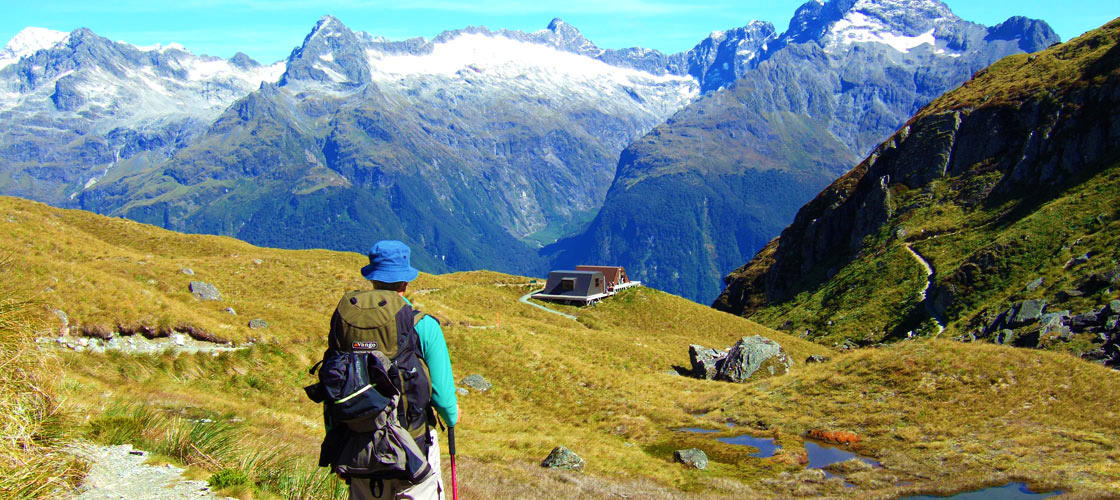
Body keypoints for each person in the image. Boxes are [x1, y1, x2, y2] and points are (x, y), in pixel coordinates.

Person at [347, 240, 459, 500]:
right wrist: (452, 417)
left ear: (372, 279)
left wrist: (339, 443)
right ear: (406, 282)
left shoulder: (349, 327)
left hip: (360, 450)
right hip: (414, 451)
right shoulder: (423, 326)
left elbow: (335, 386)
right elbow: (443, 398)